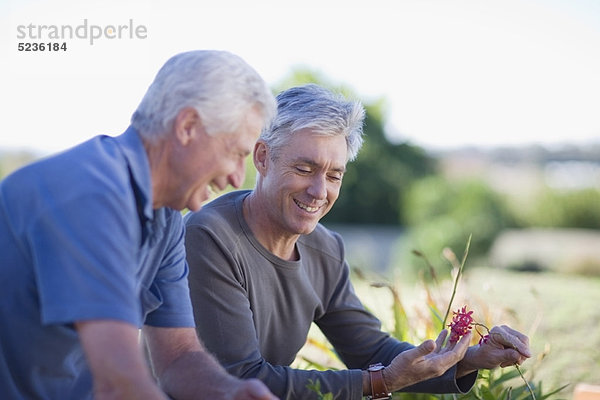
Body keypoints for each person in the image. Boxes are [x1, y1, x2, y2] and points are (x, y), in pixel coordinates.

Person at [183, 84, 532, 400]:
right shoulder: (208, 236)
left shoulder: (325, 249)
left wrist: (469, 358)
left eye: (334, 175)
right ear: (262, 158)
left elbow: (368, 350)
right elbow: (240, 378)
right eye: (304, 169)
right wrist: (379, 383)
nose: (320, 192)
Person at [0, 50, 279, 400]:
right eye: (236, 153)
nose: (238, 177)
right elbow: (119, 383)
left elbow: (178, 357)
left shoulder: (166, 217)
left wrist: (231, 392)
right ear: (188, 127)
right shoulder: (89, 194)